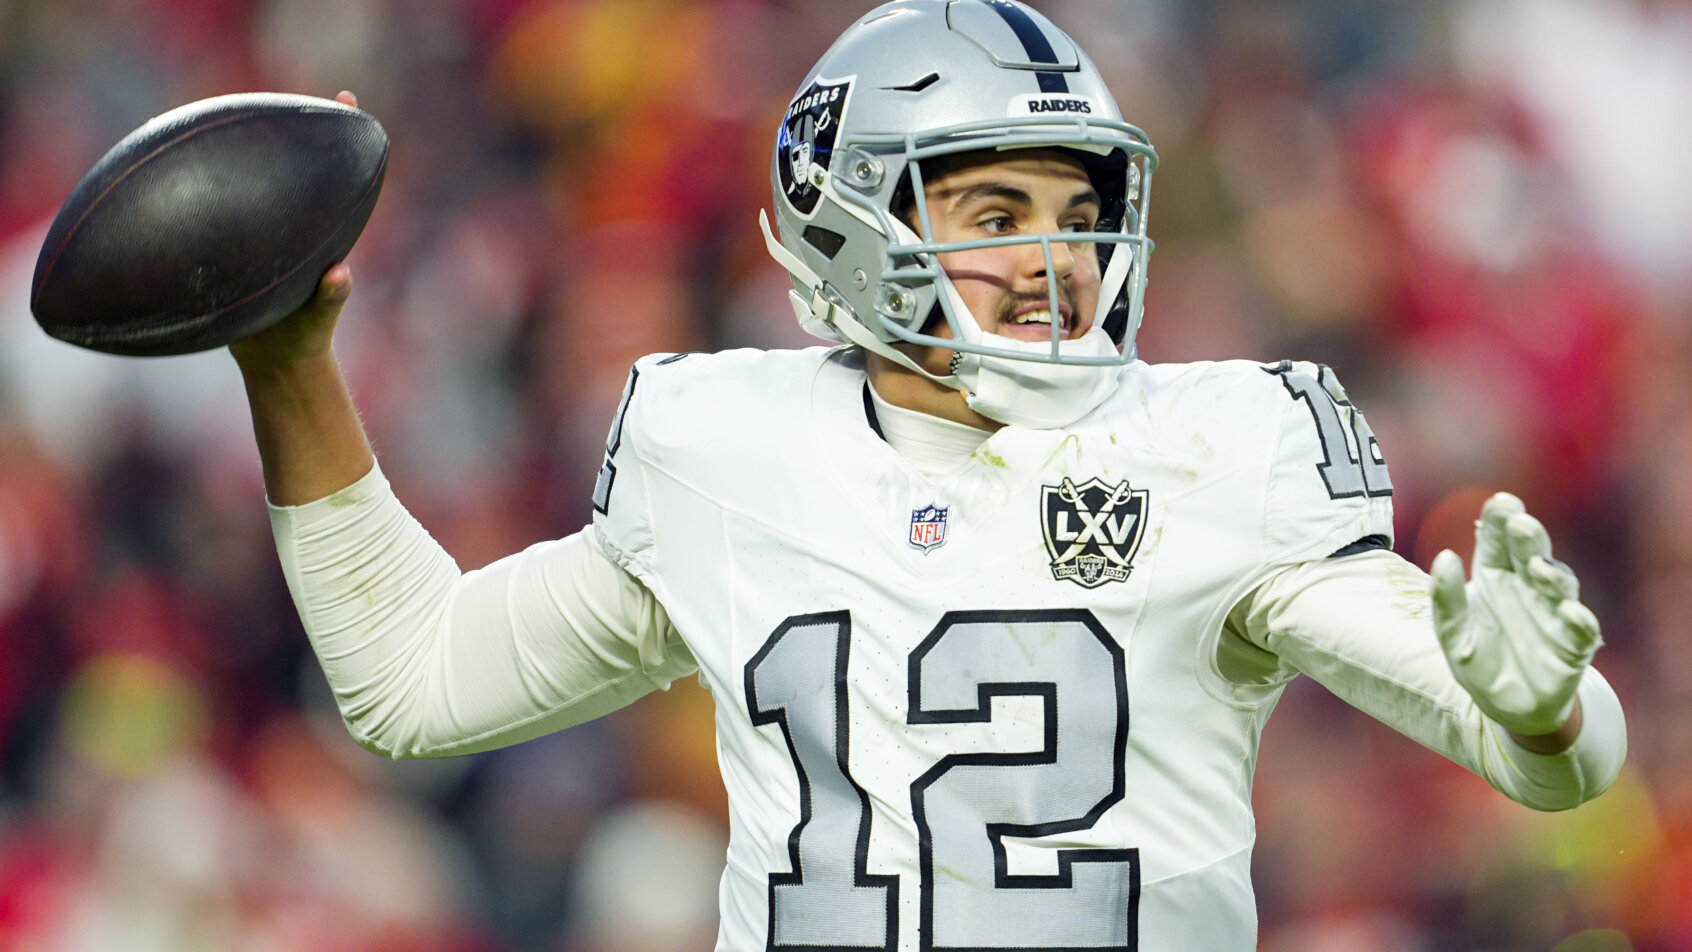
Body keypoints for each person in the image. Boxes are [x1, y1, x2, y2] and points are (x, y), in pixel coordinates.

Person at [230, 2, 1626, 948]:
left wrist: (1546, 710)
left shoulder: (1219, 444)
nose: (1054, 258)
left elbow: (1552, 762)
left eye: (1079, 215)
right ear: (851, 222)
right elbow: (412, 681)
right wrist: (289, 362)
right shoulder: (726, 448)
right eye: (995, 211)